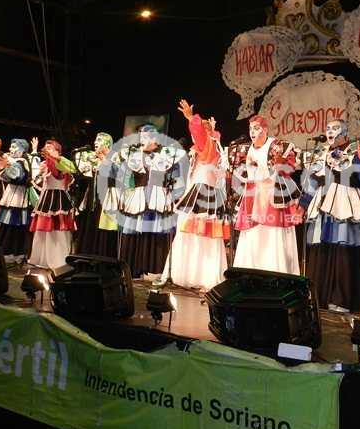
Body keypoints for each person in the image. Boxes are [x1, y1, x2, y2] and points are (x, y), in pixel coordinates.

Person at [300, 119, 360, 312]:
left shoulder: (355, 150)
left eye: (335, 128)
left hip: (344, 201)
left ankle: (341, 298)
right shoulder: (320, 152)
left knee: (342, 250)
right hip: (322, 202)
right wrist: (302, 205)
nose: (330, 131)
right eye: (328, 128)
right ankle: (318, 297)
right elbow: (312, 181)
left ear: (344, 132)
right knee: (321, 249)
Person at [157, 100, 230, 291]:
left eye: (202, 130)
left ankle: (200, 275)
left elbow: (198, 133)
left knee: (199, 234)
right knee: (195, 234)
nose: (195, 136)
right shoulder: (204, 150)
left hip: (202, 196)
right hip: (198, 194)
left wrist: (191, 118)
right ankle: (192, 274)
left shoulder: (208, 146)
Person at [229, 115, 302, 274]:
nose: (252, 132)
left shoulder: (276, 145)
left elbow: (290, 166)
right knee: (253, 235)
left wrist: (281, 162)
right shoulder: (245, 149)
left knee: (271, 234)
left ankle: (273, 273)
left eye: (256, 128)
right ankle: (250, 272)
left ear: (265, 130)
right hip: (252, 196)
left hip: (271, 196)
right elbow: (241, 173)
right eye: (250, 129)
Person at [114, 125, 185, 279]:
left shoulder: (167, 155)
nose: (142, 140)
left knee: (156, 234)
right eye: (141, 137)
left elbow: (177, 178)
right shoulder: (133, 155)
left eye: (146, 137)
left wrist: (174, 195)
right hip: (137, 198)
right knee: (134, 233)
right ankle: (132, 269)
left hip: (158, 198)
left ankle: (155, 270)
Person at [28, 139, 77, 270]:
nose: (47, 149)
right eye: (46, 147)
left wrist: (57, 158)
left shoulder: (61, 163)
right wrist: (35, 153)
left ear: (57, 151)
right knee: (43, 230)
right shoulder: (44, 164)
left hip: (59, 199)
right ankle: (42, 258)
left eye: (50, 148)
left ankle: (59, 259)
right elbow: (35, 180)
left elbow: (71, 168)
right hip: (46, 199)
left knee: (57, 231)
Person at [74, 132, 120, 258]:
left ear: (107, 144)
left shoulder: (115, 157)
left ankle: (102, 257)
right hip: (92, 198)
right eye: (95, 140)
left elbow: (117, 175)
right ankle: (86, 254)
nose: (95, 142)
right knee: (90, 224)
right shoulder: (93, 159)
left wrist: (104, 160)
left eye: (99, 140)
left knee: (104, 228)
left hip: (107, 198)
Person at [0, 138, 34, 263]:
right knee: (9, 225)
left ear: (22, 150)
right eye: (11, 147)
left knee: (14, 225)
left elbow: (16, 175)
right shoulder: (16, 162)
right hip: (12, 195)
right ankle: (10, 251)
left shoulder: (21, 162)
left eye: (14, 147)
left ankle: (13, 252)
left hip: (17, 198)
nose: (11, 149)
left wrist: (6, 164)